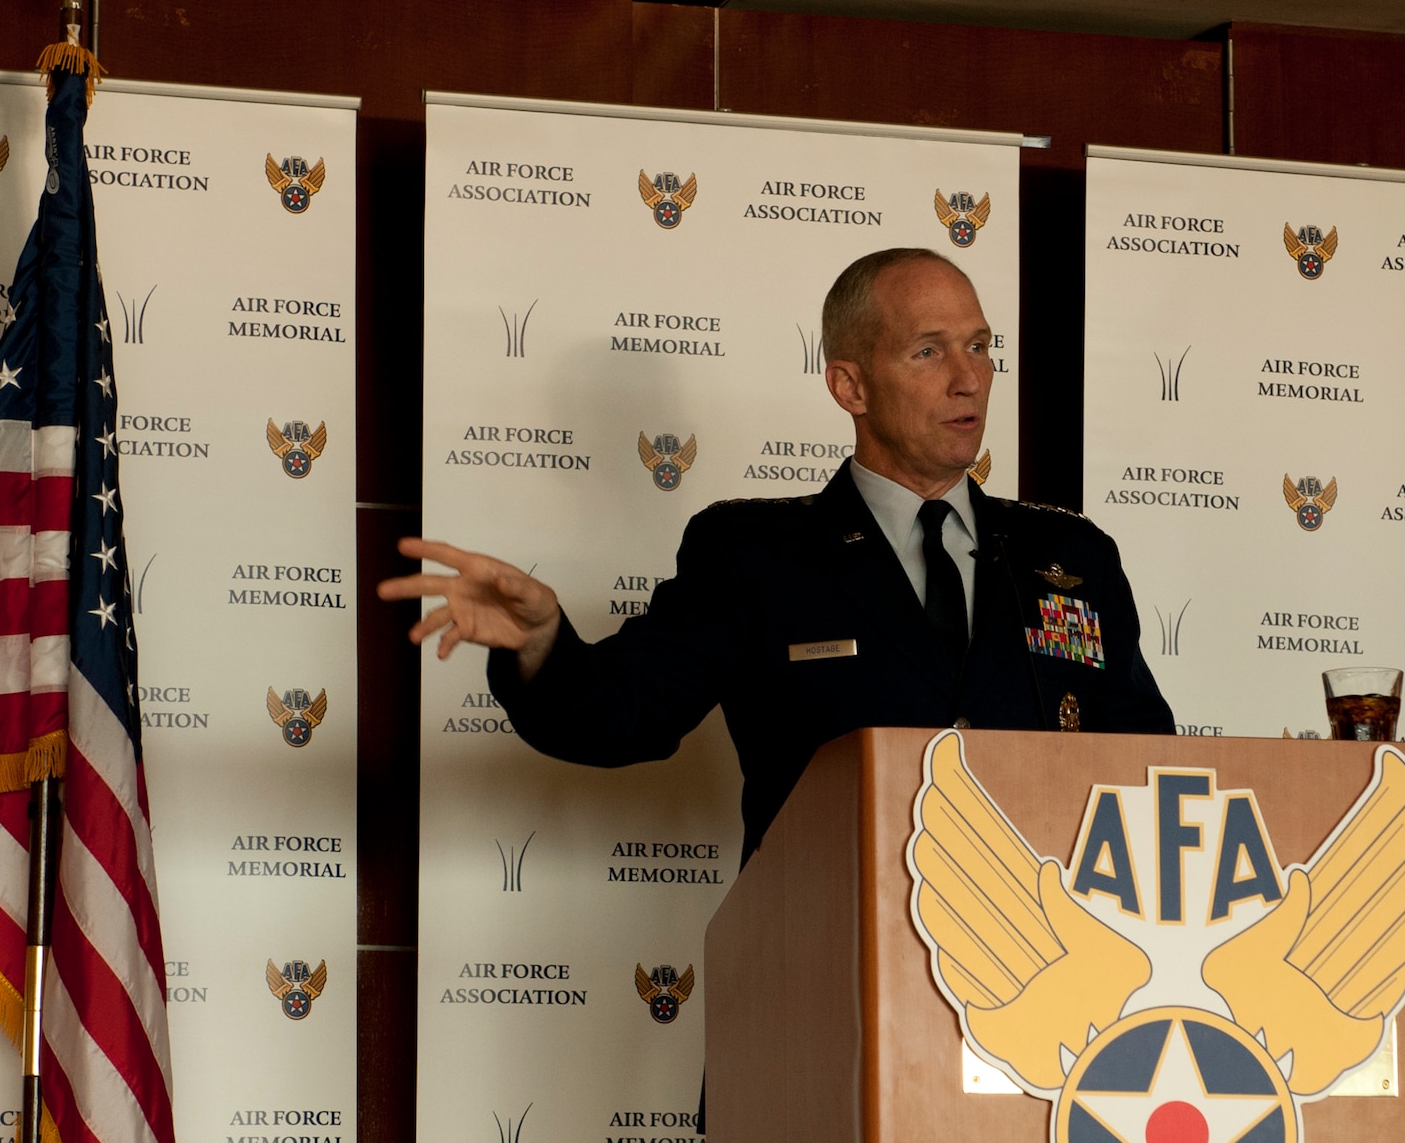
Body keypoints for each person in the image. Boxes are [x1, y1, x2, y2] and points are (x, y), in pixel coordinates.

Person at [380, 247, 1174, 863]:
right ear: (850, 386)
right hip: (818, 973)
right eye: (929, 352)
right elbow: (623, 714)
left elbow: (1146, 770)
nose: (969, 378)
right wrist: (541, 644)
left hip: (1042, 990)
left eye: (978, 345)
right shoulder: (755, 555)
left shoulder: (1070, 557)